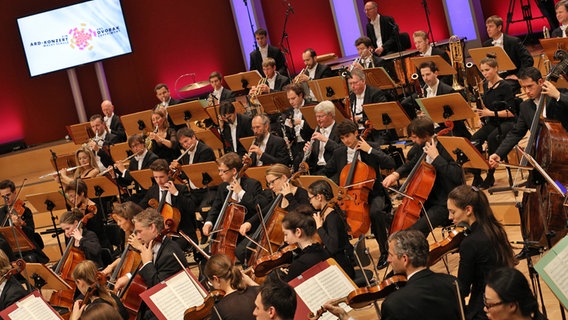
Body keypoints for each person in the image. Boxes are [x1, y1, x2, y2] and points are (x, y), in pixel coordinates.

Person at [324, 120, 395, 268]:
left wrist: (369, 150)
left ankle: (385, 251)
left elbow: (390, 163)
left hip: (374, 192)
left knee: (375, 213)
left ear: (356, 133)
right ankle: (348, 254)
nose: (346, 141)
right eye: (342, 138)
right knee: (336, 215)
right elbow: (328, 171)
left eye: (348, 136)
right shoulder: (339, 153)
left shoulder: (371, 147)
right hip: (350, 196)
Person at [382, 117, 464, 236]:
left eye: (414, 137)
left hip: (444, 201)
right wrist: (395, 174)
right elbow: (412, 163)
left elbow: (456, 175)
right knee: (397, 221)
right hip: (426, 199)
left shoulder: (446, 146)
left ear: (425, 135)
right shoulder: (422, 147)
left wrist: (436, 158)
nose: (412, 140)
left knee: (414, 232)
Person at [447, 185, 515, 320]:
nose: (449, 217)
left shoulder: (470, 243)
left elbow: (463, 289)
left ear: (468, 210)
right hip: (506, 300)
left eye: (452, 212)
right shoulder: (496, 229)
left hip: (485, 309)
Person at [114, 208, 188, 320]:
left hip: (171, 306)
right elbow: (145, 273)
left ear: (152, 228)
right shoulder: (150, 245)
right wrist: (129, 277)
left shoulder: (170, 254)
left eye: (139, 231)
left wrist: (148, 262)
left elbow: (159, 289)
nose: (137, 237)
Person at [489, 66, 568, 168]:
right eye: (524, 87)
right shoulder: (525, 106)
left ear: (540, 82)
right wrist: (499, 153)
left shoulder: (559, 94)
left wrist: (558, 96)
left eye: (530, 86)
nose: (526, 91)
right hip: (543, 156)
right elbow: (516, 133)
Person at [381, 230, 462, 320]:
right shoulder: (453, 283)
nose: (388, 259)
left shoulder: (393, 303)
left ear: (405, 259)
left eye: (391, 255)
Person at [470, 56, 516, 189]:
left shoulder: (505, 86)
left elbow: (511, 112)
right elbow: (488, 107)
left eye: (487, 70)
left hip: (507, 122)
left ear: (496, 69)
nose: (484, 73)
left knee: (492, 138)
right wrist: (484, 118)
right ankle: (477, 175)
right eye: (482, 70)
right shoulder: (485, 84)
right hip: (493, 121)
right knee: (474, 140)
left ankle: (490, 175)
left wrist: (489, 113)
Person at [202, 152, 268, 239]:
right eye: (219, 170)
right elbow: (216, 207)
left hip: (247, 233)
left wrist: (241, 192)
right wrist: (208, 222)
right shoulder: (223, 186)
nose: (220, 174)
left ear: (233, 171)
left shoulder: (252, 184)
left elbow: (260, 206)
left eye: (223, 171)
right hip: (228, 232)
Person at [139, 159, 196, 251]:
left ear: (169, 174)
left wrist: (176, 193)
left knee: (168, 250)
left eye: (161, 177)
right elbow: (141, 208)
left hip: (181, 234)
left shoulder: (181, 189)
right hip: (160, 234)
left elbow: (191, 209)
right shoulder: (152, 191)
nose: (159, 181)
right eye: (155, 177)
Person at [308, 179, 355, 279]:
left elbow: (333, 247)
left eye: (310, 198)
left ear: (319, 197)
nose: (310, 202)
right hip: (334, 263)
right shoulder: (325, 213)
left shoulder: (331, 217)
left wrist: (320, 228)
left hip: (342, 268)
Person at [418, 61, 471, 139]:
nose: (425, 78)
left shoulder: (447, 91)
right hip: (434, 127)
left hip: (450, 129)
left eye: (428, 74)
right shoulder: (426, 89)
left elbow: (460, 117)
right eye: (423, 75)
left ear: (436, 73)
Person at [170, 127, 217, 213]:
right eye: (182, 144)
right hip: (194, 192)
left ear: (193, 137)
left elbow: (198, 173)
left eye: (186, 141)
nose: (185, 145)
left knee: (202, 210)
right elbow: (185, 176)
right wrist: (178, 171)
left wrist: (181, 168)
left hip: (207, 190)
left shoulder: (205, 151)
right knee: (182, 207)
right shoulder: (186, 154)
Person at [0, 179, 48, 263]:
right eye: (3, 196)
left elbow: (31, 233)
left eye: (8, 195)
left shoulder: (25, 211)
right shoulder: (1, 212)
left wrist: (21, 225)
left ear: (15, 193)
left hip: (26, 249)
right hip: (9, 251)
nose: (6, 199)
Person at [277, 205, 329, 282]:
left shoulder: (300, 264)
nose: (285, 239)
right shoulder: (323, 251)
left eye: (286, 234)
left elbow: (285, 292)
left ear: (298, 232)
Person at [482, 15, 534, 91]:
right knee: (486, 87)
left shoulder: (513, 41)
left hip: (511, 76)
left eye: (491, 26)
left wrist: (518, 75)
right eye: (487, 27)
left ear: (499, 28)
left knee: (503, 87)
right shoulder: (486, 45)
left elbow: (528, 60)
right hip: (495, 77)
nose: (488, 29)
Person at [203, 254, 259, 320]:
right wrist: (250, 282)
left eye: (211, 282)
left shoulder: (219, 309)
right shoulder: (255, 291)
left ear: (216, 279)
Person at [101, 201, 143, 278]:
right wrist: (110, 266)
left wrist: (140, 246)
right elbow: (125, 255)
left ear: (130, 219)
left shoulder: (144, 234)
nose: (118, 224)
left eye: (120, 220)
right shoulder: (126, 233)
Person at [65, 179, 109, 251]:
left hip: (96, 245)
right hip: (82, 244)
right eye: (69, 196)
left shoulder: (93, 208)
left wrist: (82, 218)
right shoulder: (77, 208)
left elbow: (95, 231)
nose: (71, 199)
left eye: (73, 196)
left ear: (82, 194)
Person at [115, 134, 159, 203]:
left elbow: (141, 177)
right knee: (125, 207)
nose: (135, 148)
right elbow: (127, 182)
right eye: (133, 146)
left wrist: (123, 170)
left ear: (143, 144)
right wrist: (115, 175)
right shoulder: (133, 161)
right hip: (140, 193)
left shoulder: (152, 158)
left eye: (137, 144)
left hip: (151, 192)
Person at [303, 101, 342, 175]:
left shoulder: (340, 130)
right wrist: (309, 151)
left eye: (321, 116)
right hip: (316, 169)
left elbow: (342, 151)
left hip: (333, 170)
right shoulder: (317, 130)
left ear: (330, 115)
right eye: (317, 116)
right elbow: (314, 158)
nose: (318, 119)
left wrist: (325, 140)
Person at [281, 84, 313, 169]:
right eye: (289, 99)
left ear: (301, 95)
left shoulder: (311, 107)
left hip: (309, 144)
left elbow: (314, 128)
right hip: (296, 146)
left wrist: (301, 122)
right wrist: (288, 138)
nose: (291, 102)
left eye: (293, 98)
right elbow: (289, 133)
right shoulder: (289, 112)